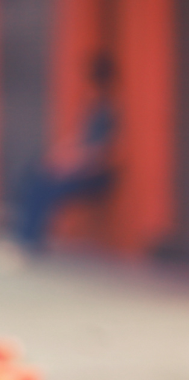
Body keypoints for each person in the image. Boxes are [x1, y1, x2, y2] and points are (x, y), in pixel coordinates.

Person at [15, 55, 118, 249]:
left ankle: (28, 241)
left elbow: (100, 153)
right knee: (35, 179)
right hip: (81, 170)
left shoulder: (108, 109)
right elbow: (80, 140)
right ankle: (26, 238)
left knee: (44, 188)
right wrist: (57, 156)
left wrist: (67, 165)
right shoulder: (95, 106)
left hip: (97, 176)